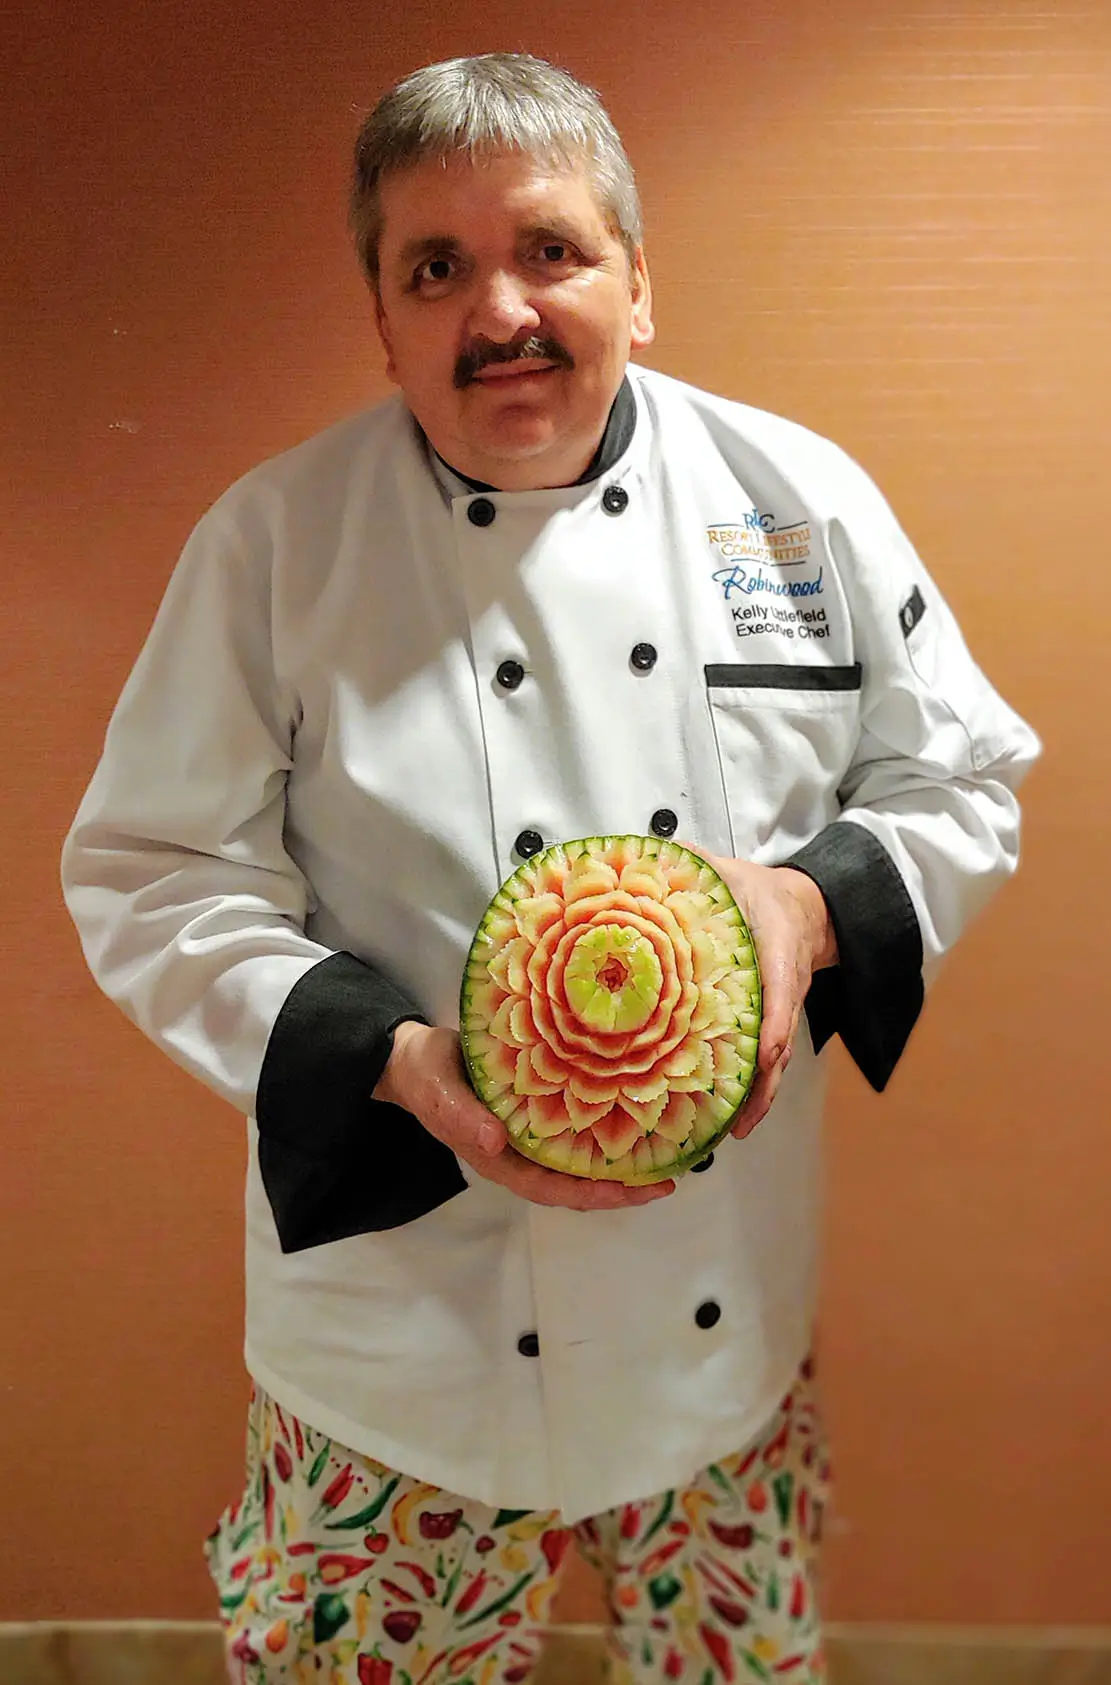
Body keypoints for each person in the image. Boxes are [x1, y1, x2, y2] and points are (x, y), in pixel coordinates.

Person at [61, 51, 1039, 1685]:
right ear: (381, 319)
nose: (497, 309)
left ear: (638, 284)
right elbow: (154, 874)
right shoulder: (274, 545)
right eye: (434, 268)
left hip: (717, 1324)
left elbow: (962, 779)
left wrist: (803, 902)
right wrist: (395, 1062)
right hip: (396, 1352)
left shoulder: (798, 505)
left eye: (551, 251)